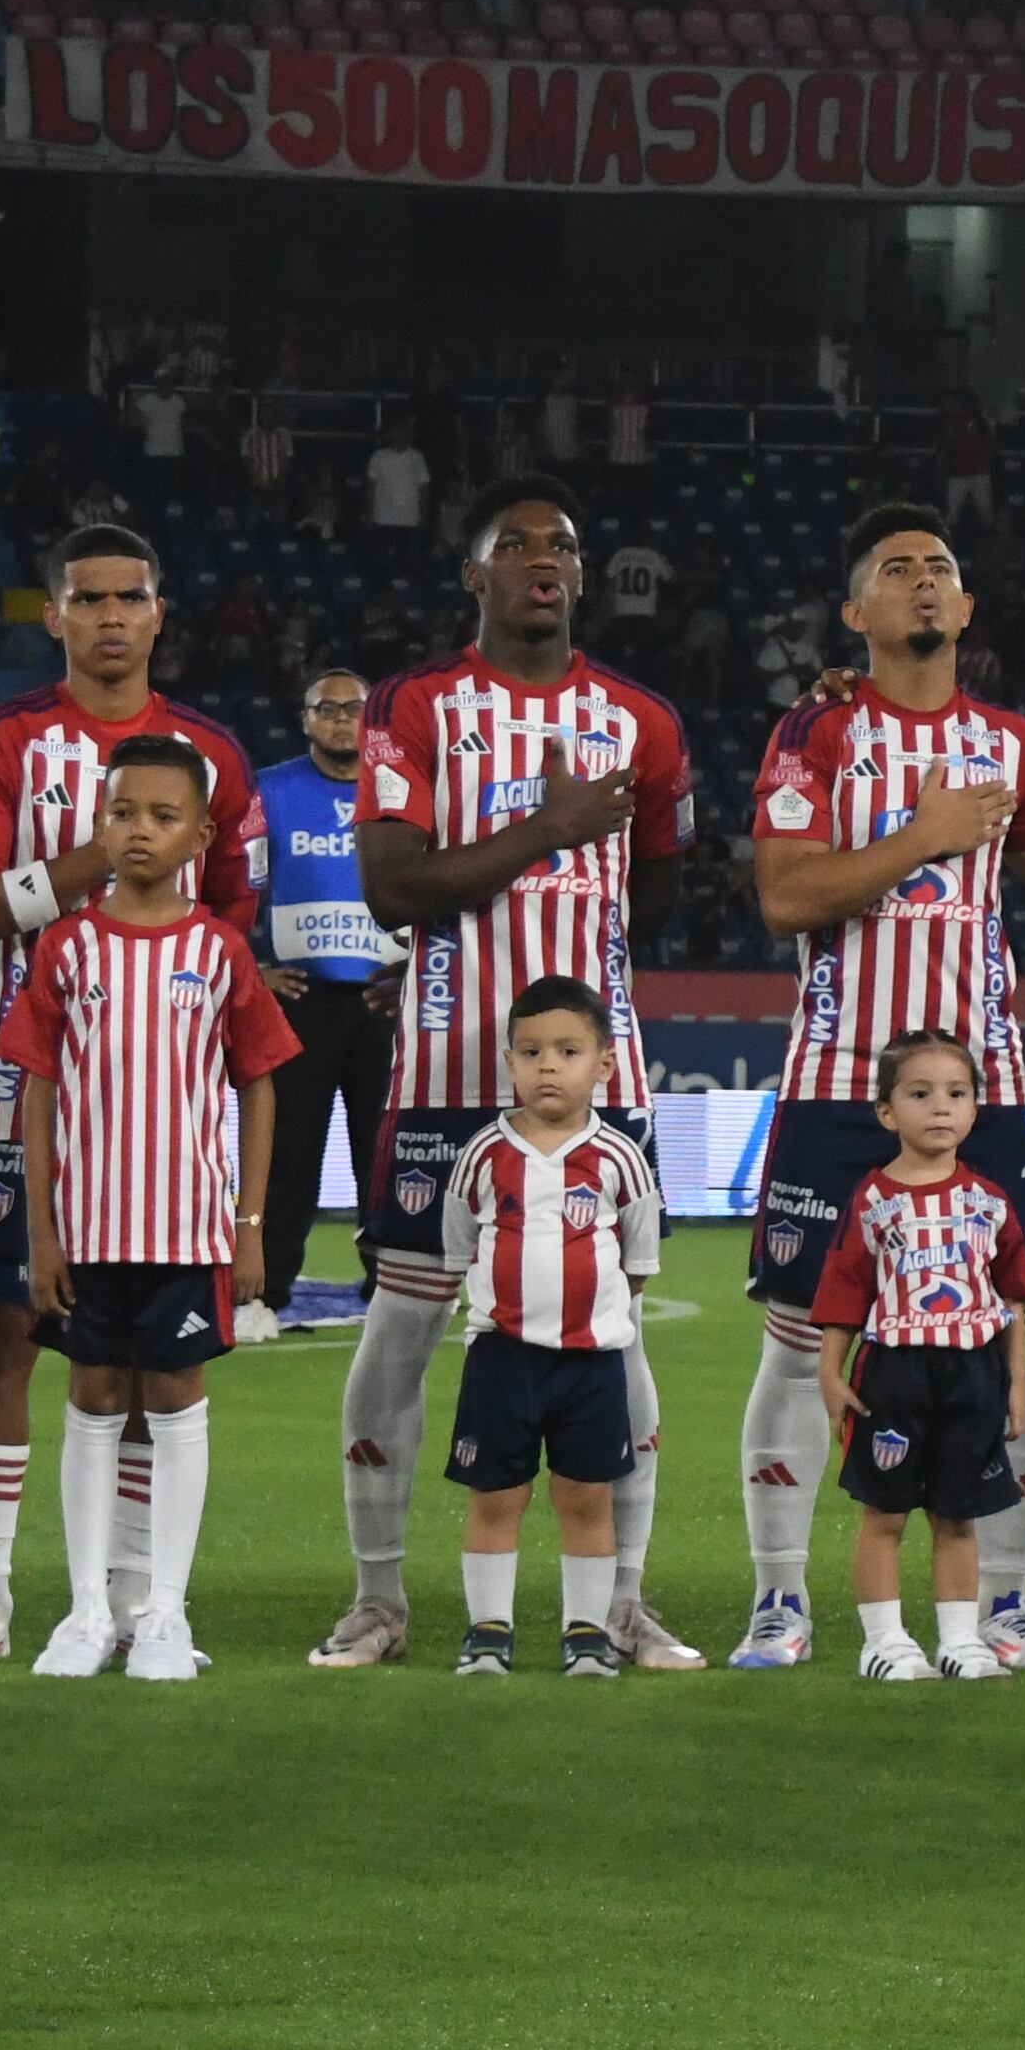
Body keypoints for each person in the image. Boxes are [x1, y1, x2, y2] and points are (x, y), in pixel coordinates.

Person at [730, 505, 1025, 1671]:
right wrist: (919, 838)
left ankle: (1003, 1605)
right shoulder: (812, 734)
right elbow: (785, 898)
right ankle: (779, 1601)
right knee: (792, 1337)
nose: (923, 584)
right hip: (833, 1081)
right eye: (896, 571)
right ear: (857, 613)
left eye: (942, 570)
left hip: (986, 1083)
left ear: (965, 611)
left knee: (992, 1331)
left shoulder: (1011, 745)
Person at [322, 478, 693, 1672]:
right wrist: (551, 827)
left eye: (566, 544)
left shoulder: (642, 719)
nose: (545, 558)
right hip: (442, 1074)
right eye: (516, 544)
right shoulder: (415, 705)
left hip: (602, 1084)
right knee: (401, 1335)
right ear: (472, 576)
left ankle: (620, 1604)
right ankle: (379, 1601)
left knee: (613, 1334)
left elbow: (661, 894)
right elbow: (391, 884)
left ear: (584, 578)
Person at [0, 522, 266, 1663]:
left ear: (160, 613)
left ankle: (127, 1595)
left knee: (146, 1367)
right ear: (55, 615)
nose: (111, 616)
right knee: (7, 1335)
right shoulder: (3, 738)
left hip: (158, 1123)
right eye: (88, 598)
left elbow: (228, 923)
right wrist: (105, 853)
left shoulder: (209, 752)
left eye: (131, 596)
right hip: (29, 1090)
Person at [7, 737, 300, 1684]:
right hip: (88, 1228)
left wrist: (248, 1224)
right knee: (92, 1396)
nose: (140, 830)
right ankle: (89, 1610)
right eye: (123, 811)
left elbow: (259, 1083)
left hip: (185, 1226)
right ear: (100, 822)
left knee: (174, 1396)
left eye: (163, 816)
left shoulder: (218, 949)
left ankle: (165, 1613)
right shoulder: (67, 944)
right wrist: (42, 1229)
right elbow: (38, 1087)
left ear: (202, 834)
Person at [434, 976, 665, 1677]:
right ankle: (488, 1630)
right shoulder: (483, 1153)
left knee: (586, 1496)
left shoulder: (619, 1156)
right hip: (501, 1359)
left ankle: (586, 1632)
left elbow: (637, 1259)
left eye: (567, 1050)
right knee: (496, 1494)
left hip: (590, 1363)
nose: (547, 1065)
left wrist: (589, 1314)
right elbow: (457, 1244)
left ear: (604, 1063)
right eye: (531, 1051)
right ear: (509, 1063)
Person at [805, 1028, 1025, 1683]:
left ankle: (960, 1641)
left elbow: (1014, 1301)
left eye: (956, 1093)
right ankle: (884, 1640)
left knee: (957, 1515)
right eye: (920, 1092)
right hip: (894, 1373)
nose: (941, 1107)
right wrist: (830, 1371)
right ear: (887, 1111)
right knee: (883, 1513)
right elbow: (845, 1290)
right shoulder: (874, 1201)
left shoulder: (988, 1202)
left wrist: (1014, 1387)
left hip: (971, 1374)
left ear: (974, 1107)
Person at [248, 666, 400, 1327]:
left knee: (388, 1152)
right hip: (300, 995)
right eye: (327, 708)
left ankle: (394, 1288)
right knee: (287, 1153)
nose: (342, 718)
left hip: (383, 998)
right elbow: (225, 878)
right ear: (305, 719)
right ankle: (264, 1293)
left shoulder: (399, 786)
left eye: (354, 707)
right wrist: (250, 967)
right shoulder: (270, 790)